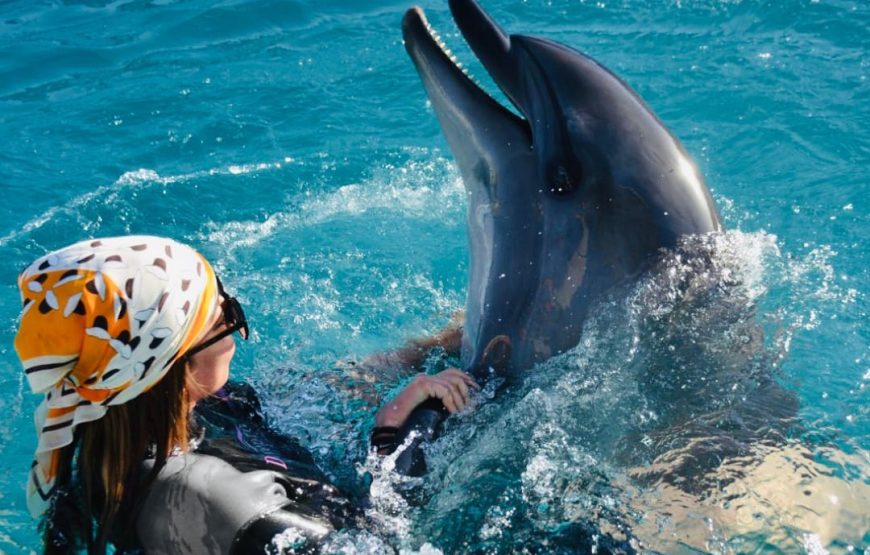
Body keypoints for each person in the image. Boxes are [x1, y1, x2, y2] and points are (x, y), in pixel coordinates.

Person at [13, 235, 478, 554]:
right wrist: (393, 434)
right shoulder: (207, 496)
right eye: (223, 317)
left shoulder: (136, 415)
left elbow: (316, 390)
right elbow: (393, 544)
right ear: (176, 363)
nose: (236, 328)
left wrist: (432, 347)